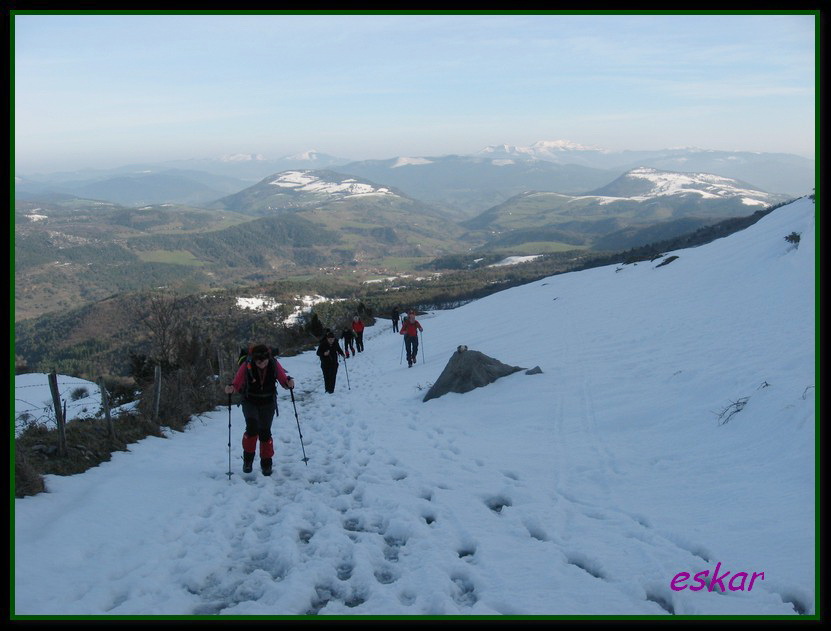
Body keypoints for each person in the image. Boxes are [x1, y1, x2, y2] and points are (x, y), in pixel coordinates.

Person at [225, 344, 295, 476]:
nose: (261, 364)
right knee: (252, 428)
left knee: (265, 432)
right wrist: (231, 388)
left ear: (268, 359)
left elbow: (283, 379)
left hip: (268, 402)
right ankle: (248, 460)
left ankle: (266, 463)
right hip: (250, 401)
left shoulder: (273, 363)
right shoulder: (247, 365)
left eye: (264, 361)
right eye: (258, 362)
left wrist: (289, 383)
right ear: (254, 359)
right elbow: (237, 382)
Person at [317, 329, 346, 393]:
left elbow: (338, 349)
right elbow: (318, 353)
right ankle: (327, 389)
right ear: (327, 339)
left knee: (333, 376)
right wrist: (324, 354)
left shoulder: (335, 342)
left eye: (332, 339)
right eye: (330, 339)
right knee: (326, 376)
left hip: (334, 362)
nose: (331, 341)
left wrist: (342, 354)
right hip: (325, 363)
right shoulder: (323, 343)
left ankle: (331, 390)